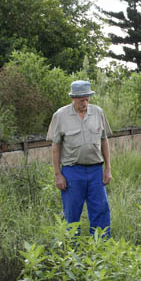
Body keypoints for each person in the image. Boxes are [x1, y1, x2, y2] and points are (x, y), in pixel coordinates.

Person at [47, 80, 113, 237]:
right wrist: (58, 175)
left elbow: (104, 140)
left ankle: (101, 248)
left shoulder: (98, 112)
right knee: (72, 214)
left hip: (96, 170)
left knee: (101, 210)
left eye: (87, 98)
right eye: (81, 99)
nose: (85, 102)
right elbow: (55, 147)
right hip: (72, 171)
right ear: (73, 98)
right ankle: (72, 252)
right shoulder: (60, 116)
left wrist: (108, 169)